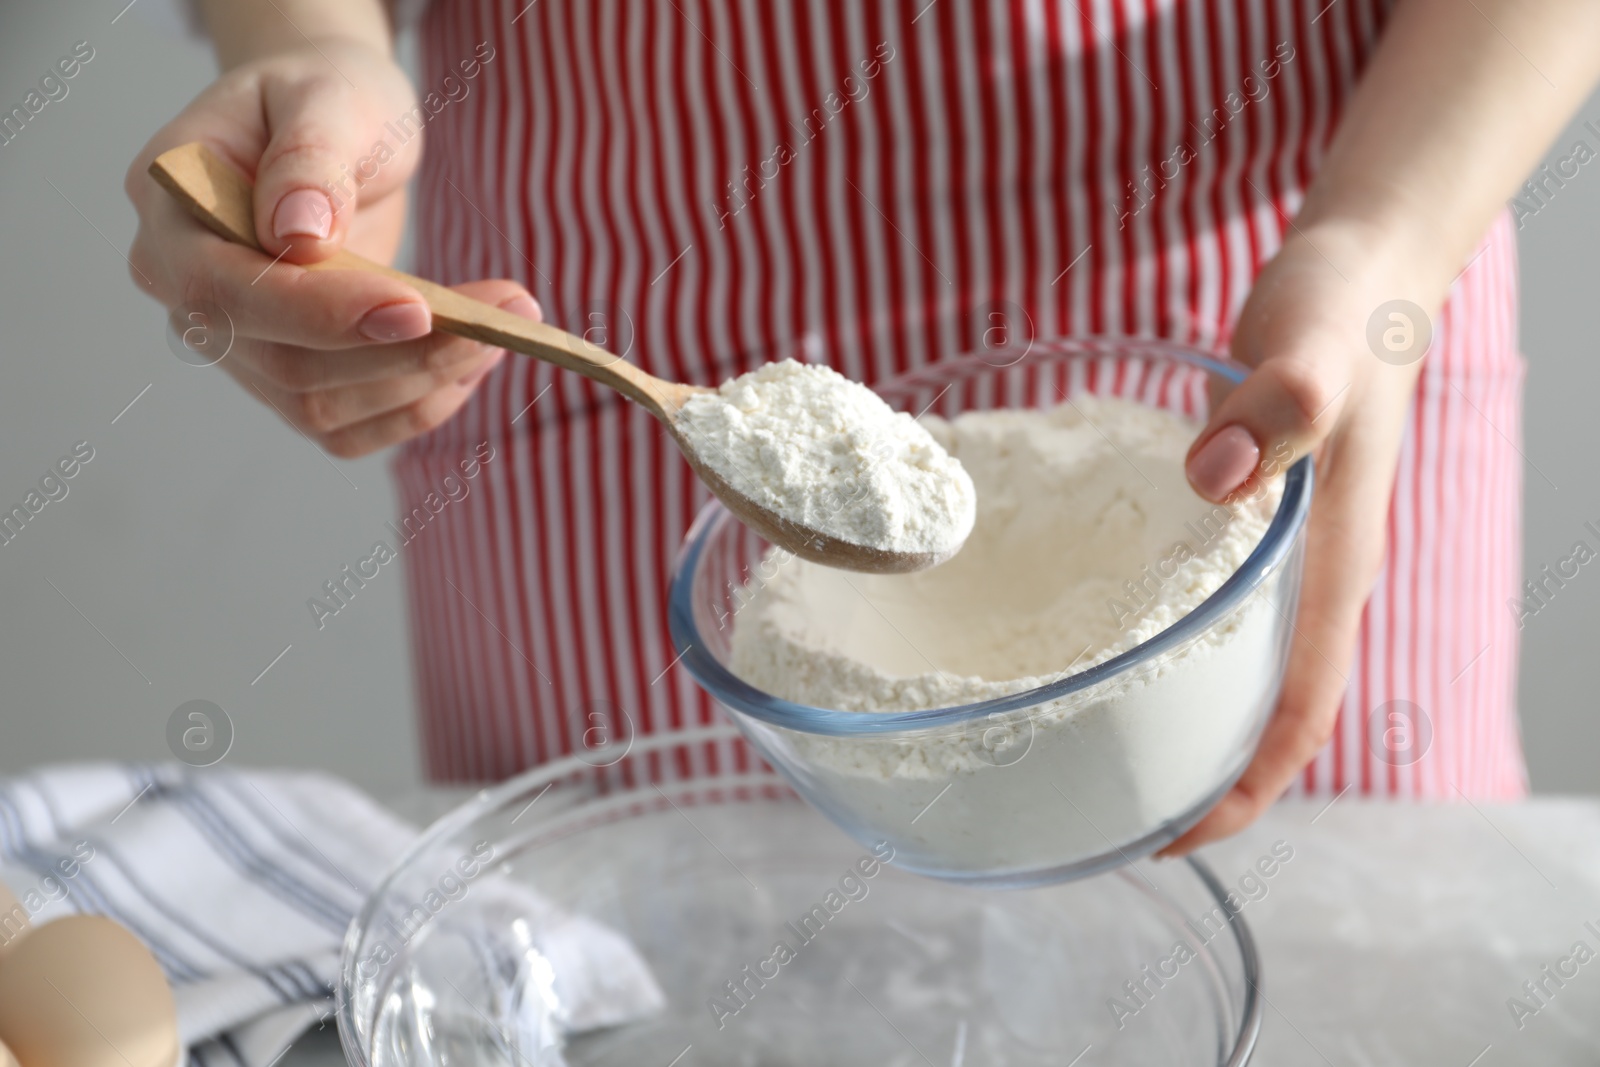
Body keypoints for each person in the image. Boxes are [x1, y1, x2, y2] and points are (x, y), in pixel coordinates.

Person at [124, 0, 1600, 854]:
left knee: (1345, 948)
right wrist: (310, 42)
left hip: (1271, 316)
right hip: (620, 289)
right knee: (664, 983)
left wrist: (1383, 256)